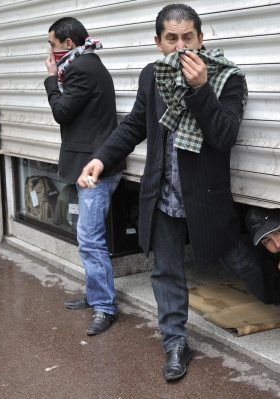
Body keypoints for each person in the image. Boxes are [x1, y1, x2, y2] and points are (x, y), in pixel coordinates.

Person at [77, 4, 264, 381]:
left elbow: (224, 136)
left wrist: (200, 89)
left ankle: (276, 295)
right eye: (172, 38)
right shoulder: (152, 76)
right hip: (161, 193)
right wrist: (101, 159)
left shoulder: (227, 79)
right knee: (165, 272)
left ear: (201, 38)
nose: (181, 46)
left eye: (188, 37)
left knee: (236, 259)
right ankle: (175, 343)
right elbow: (133, 125)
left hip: (206, 197)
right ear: (159, 42)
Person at [43, 17, 127, 336]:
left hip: (95, 166)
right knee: (87, 235)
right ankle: (96, 296)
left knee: (90, 238)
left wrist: (52, 78)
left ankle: (105, 306)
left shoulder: (80, 68)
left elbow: (61, 112)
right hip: (92, 163)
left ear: (67, 44)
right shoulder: (88, 63)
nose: (49, 51)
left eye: (52, 44)